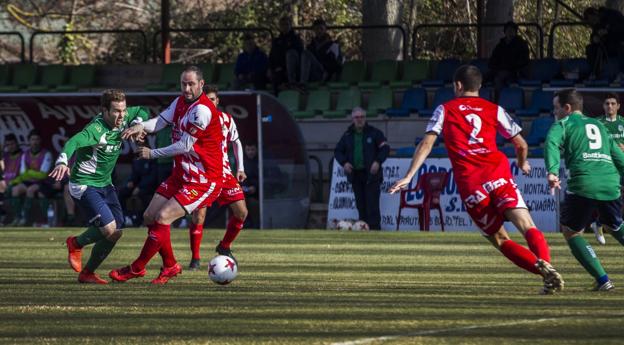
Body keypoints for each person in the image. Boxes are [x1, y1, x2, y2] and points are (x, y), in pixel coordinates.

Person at [390, 65, 564, 295]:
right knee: (527, 225)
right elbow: (521, 144)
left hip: (472, 184)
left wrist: (408, 176)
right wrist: (522, 163)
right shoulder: (495, 109)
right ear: (479, 86)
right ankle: (547, 265)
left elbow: (427, 144)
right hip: (498, 174)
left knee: (501, 239)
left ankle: (544, 273)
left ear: (458, 86)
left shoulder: (445, 109)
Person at [109, 65, 224, 285]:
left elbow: (184, 145)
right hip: (181, 174)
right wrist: (140, 126)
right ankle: (170, 265)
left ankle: (136, 268)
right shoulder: (180, 102)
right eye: (183, 84)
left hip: (203, 179)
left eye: (191, 84)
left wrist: (152, 153)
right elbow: (160, 122)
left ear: (201, 84)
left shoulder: (203, 110)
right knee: (149, 217)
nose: (187, 88)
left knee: (163, 218)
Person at [49, 89, 149, 284]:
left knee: (117, 232)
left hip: (105, 184)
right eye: (116, 111)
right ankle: (75, 243)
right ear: (104, 110)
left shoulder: (125, 115)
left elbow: (143, 111)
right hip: (84, 184)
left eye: (123, 110)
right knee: (108, 228)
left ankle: (87, 273)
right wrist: (62, 161)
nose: (122, 116)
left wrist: (137, 125)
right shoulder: (96, 129)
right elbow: (73, 142)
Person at [546, 88, 624, 291]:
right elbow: (617, 155)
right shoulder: (600, 125)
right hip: (610, 183)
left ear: (567, 108)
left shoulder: (563, 124)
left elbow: (552, 143)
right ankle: (602, 280)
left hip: (584, 183)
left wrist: (552, 171)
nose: (555, 113)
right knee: (614, 225)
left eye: (556, 108)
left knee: (571, 231)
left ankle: (603, 280)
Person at [187, 85, 248, 270]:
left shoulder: (226, 119)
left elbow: (236, 142)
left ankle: (224, 246)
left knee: (242, 212)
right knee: (199, 216)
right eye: (206, 99)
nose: (209, 103)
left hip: (225, 173)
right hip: (203, 174)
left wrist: (240, 168)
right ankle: (195, 259)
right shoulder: (195, 120)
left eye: (212, 99)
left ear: (217, 101)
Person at [334, 107, 389, 230]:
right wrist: (344, 163)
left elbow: (385, 149)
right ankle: (363, 231)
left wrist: (378, 161)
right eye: (357, 117)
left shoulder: (375, 133)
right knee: (361, 205)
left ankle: (375, 231)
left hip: (371, 175)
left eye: (362, 117)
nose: (359, 119)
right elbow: (337, 151)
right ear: (352, 119)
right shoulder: (347, 135)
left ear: (365, 118)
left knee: (372, 206)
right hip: (356, 175)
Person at [588, 93, 624, 245]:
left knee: (618, 198)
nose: (610, 106)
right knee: (612, 197)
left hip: (621, 165)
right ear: (603, 106)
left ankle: (600, 222)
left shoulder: (623, 122)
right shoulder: (597, 124)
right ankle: (603, 222)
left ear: (618, 106)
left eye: (612, 103)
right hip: (606, 166)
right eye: (607, 103)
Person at [9, 129, 53, 226]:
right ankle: (18, 217)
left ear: (40, 141)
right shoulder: (25, 154)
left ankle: (27, 219)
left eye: (37, 139)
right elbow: (22, 173)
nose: (35, 142)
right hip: (29, 181)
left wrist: (29, 173)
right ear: (29, 141)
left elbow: (43, 175)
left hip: (44, 182)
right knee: (15, 190)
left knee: (30, 190)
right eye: (32, 139)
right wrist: (31, 174)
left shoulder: (46, 154)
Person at [486, 21, 530, 101]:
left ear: (515, 32)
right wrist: (495, 67)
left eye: (512, 30)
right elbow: (493, 59)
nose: (510, 33)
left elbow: (524, 61)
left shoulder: (521, 44)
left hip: (514, 71)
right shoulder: (500, 45)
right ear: (505, 32)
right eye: (508, 30)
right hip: (498, 70)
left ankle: (497, 102)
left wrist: (511, 67)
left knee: (499, 79)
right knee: (482, 77)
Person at [583, 7, 624, 79]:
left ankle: (622, 73)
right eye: (591, 21)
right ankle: (595, 73)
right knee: (591, 49)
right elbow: (594, 35)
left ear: (596, 14)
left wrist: (608, 31)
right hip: (607, 47)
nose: (593, 22)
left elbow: (621, 28)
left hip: (619, 42)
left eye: (593, 19)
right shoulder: (597, 24)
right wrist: (594, 39)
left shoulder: (613, 15)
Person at [117, 156, 157, 226]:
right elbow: (134, 175)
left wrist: (139, 187)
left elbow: (152, 177)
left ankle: (138, 220)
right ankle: (125, 216)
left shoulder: (152, 161)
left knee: (143, 195)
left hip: (148, 187)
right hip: (136, 186)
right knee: (122, 192)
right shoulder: (137, 161)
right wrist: (130, 181)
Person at [268, 16, 304, 93]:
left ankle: (292, 83)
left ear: (290, 25)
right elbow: (271, 57)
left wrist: (284, 68)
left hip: (293, 69)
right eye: (282, 25)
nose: (284, 27)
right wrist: (271, 68)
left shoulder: (296, 39)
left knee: (290, 53)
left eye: (286, 24)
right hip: (278, 69)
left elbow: (300, 55)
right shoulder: (276, 41)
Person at [302, 18, 343, 82]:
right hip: (313, 73)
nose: (319, 31)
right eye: (316, 29)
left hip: (325, 73)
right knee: (304, 53)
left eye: (321, 28)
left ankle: (303, 83)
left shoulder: (333, 45)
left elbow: (337, 63)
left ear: (325, 29)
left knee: (306, 53)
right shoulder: (311, 46)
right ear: (314, 30)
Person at [2, 134, 21, 224]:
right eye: (8, 145)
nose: (10, 147)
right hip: (5, 184)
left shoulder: (23, 155)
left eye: (12, 144)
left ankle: (17, 218)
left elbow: (24, 174)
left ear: (17, 143)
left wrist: (12, 182)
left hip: (17, 182)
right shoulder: (4, 157)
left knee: (12, 189)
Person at [241, 143, 259, 228]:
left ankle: (255, 225)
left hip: (259, 192)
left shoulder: (261, 161)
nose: (250, 152)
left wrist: (256, 187)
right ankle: (246, 224)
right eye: (248, 150)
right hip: (245, 191)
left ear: (257, 150)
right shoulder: (242, 162)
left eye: (252, 150)